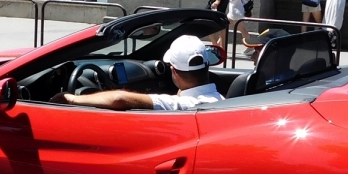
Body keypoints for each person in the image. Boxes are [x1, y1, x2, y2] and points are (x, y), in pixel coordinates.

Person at [50, 35, 223, 111]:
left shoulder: (178, 105)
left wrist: (70, 99)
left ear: (174, 71)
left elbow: (119, 99)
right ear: (207, 67)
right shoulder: (222, 100)